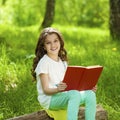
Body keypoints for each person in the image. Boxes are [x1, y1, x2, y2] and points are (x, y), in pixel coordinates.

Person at [31, 27, 97, 120]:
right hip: (50, 100)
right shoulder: (44, 63)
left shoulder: (63, 62)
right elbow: (46, 90)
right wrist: (58, 89)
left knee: (90, 94)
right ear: (44, 47)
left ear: (60, 42)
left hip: (64, 95)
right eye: (48, 43)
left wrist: (87, 87)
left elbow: (70, 85)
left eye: (55, 41)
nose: (53, 45)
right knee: (74, 94)